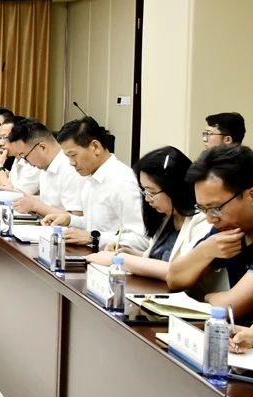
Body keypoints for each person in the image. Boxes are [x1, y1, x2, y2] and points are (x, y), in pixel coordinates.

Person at [87, 147, 220, 290]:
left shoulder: (203, 221)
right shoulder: (167, 218)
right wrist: (128, 253)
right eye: (144, 191)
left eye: (152, 192)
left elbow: (176, 271)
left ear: (173, 188)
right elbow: (157, 259)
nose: (147, 199)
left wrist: (118, 259)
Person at [166, 145, 253, 315]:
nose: (210, 219)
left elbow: (230, 307)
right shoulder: (227, 228)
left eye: (216, 208)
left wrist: (208, 297)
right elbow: (174, 279)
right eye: (203, 209)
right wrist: (206, 250)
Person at [42, 117, 146, 251]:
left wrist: (94, 238)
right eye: (68, 157)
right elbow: (97, 225)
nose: (71, 163)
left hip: (115, 259)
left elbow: (141, 239)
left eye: (73, 155)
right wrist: (69, 220)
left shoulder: (122, 181)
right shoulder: (91, 177)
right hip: (95, 254)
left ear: (95, 147)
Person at [5, 118, 84, 218]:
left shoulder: (70, 167)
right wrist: (16, 195)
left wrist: (35, 206)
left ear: (42, 147)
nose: (25, 162)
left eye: (24, 156)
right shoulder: (45, 167)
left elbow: (76, 218)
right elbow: (48, 201)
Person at [0, 116, 40, 195]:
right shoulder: (17, 158)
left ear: (20, 137)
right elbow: (9, 187)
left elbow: (11, 195)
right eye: (0, 138)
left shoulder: (34, 162)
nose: (1, 143)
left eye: (4, 137)